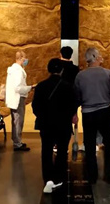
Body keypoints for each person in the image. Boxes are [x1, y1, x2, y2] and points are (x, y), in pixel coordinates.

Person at [74, 47, 110, 184]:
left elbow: (76, 97)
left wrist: (74, 113)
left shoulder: (80, 76)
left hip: (88, 113)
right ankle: (108, 174)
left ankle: (92, 175)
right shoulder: (107, 74)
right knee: (109, 142)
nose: (102, 57)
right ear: (95, 57)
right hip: (104, 112)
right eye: (100, 55)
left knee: (89, 144)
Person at [32, 58, 78, 193]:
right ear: (62, 70)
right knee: (62, 151)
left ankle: (48, 179)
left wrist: (43, 116)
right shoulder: (68, 86)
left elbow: (35, 106)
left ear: (48, 69)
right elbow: (73, 105)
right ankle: (59, 178)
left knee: (46, 151)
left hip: (46, 124)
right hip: (63, 124)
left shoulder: (41, 86)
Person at [6, 50, 34, 152]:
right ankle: (17, 143)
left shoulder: (12, 70)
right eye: (25, 58)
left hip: (14, 98)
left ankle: (17, 140)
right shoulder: (17, 71)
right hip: (18, 98)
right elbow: (18, 87)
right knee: (18, 121)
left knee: (15, 121)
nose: (26, 60)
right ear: (21, 58)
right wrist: (30, 87)